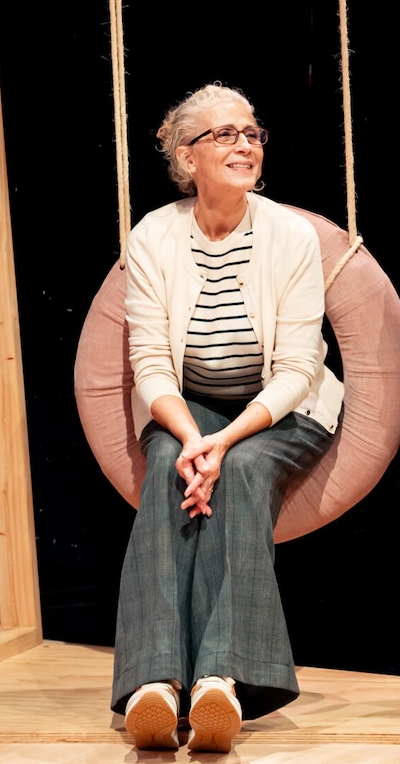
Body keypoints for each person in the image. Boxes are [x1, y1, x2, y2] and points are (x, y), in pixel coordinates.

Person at [111, 83, 344, 753]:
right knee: (165, 462)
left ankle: (220, 679)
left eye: (252, 132)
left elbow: (297, 366)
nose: (245, 144)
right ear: (188, 158)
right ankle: (155, 684)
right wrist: (191, 437)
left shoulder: (290, 235)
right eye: (225, 134)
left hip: (282, 405)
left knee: (239, 471)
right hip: (191, 404)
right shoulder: (154, 235)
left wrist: (223, 440)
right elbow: (150, 361)